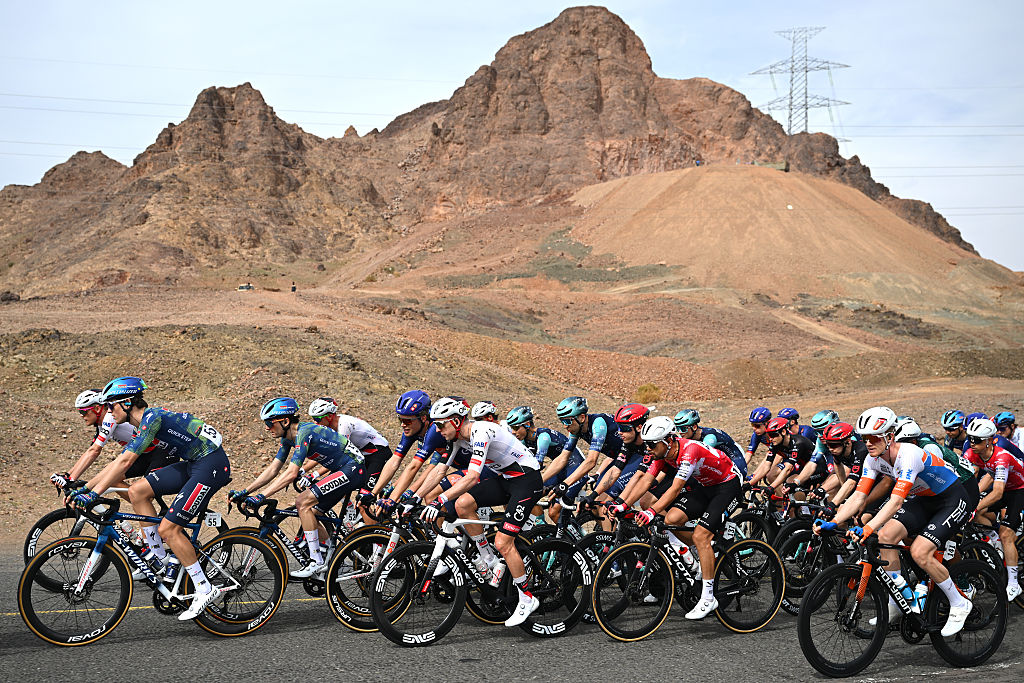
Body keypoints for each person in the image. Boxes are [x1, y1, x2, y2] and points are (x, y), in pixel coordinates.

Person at [67, 376, 232, 621]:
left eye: (111, 406)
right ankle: (159, 557)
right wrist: (85, 489)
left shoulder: (151, 419)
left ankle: (205, 588)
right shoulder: (143, 422)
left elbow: (124, 463)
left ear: (126, 403)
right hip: (193, 463)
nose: (110, 412)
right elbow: (117, 464)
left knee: (169, 529)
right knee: (136, 492)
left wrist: (92, 493)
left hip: (211, 464)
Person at [816, 406, 973, 637]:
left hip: (952, 498)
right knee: (886, 537)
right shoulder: (873, 460)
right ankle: (897, 601)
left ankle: (959, 602)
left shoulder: (908, 454)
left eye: (873, 437)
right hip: (924, 499)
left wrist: (868, 527)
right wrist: (834, 519)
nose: (868, 443)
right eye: (864, 438)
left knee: (920, 552)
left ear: (889, 437)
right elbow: (859, 496)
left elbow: (895, 503)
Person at [422, 397, 544, 627]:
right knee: (463, 504)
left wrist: (439, 500)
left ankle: (527, 598)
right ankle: (486, 557)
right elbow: (439, 471)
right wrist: (413, 498)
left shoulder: (482, 430)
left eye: (441, 425)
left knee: (504, 542)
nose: (438, 430)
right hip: (506, 479)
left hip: (527, 481)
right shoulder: (458, 439)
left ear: (457, 421)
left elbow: (472, 476)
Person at [611, 416, 741, 619]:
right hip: (706, 486)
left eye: (652, 444)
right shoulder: (661, 454)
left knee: (700, 536)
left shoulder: (689, 451)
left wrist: (651, 511)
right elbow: (646, 480)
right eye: (646, 444)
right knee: (670, 520)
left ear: (668, 440)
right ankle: (702, 554)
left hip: (727, 485)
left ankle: (708, 598)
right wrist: (623, 504)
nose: (648, 448)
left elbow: (676, 488)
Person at [230, 397, 366, 578]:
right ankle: (333, 560)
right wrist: (246, 491)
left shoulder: (304, 433)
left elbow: (291, 473)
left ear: (285, 421)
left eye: (270, 423)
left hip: (353, 468)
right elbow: (273, 469)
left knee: (302, 502)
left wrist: (261, 497)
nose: (266, 427)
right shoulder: (288, 440)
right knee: (312, 513)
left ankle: (316, 561)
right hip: (341, 469)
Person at [308, 397, 392, 520]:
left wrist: (315, 474)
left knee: (363, 502)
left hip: (378, 456)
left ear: (329, 416)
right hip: (364, 458)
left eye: (318, 419)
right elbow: (325, 453)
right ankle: (352, 515)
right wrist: (304, 471)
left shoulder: (344, 425)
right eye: (313, 419)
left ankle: (375, 537)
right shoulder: (329, 429)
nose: (315, 423)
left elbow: (337, 455)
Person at [967, 418, 1024, 601]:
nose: (972, 443)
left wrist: (975, 507)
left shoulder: (1002, 457)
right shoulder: (973, 453)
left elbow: (998, 493)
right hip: (1005, 487)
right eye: (970, 438)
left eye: (977, 440)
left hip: (1020, 489)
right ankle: (995, 543)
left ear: (990, 440)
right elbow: (969, 477)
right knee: (975, 513)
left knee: (1006, 533)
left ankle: (1014, 584)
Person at [52, 389, 142, 493]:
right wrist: (67, 476)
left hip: (150, 452)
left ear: (97, 408)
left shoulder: (110, 417)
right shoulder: (101, 424)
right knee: (111, 479)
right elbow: (90, 450)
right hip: (139, 453)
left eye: (83, 411)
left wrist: (71, 479)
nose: (81, 415)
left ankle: (143, 503)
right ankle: (141, 503)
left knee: (109, 479)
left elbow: (95, 451)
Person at [547, 396, 623, 510]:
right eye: (562, 421)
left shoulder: (598, 423)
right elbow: (562, 458)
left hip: (635, 456)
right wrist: (539, 481)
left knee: (600, 502)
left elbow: (591, 461)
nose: (564, 425)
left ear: (582, 417)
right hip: (620, 459)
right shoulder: (576, 429)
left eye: (567, 421)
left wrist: (565, 484)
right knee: (595, 507)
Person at [673, 409, 746, 478]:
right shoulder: (686, 434)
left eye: (683, 429)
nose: (679, 432)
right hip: (720, 459)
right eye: (677, 428)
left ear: (694, 427)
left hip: (735, 459)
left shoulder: (710, 437)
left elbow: (699, 458)